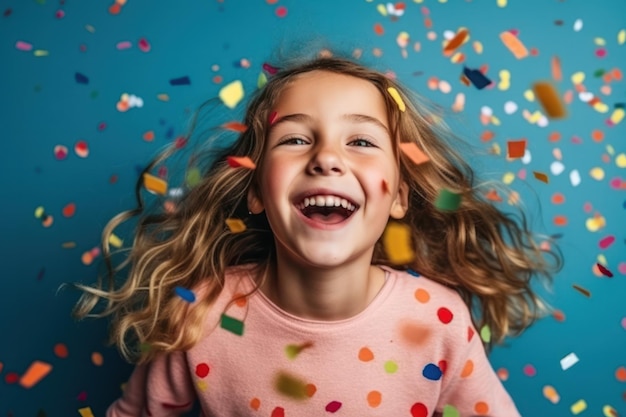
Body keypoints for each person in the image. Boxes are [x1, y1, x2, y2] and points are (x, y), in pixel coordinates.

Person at [73, 51, 561, 417]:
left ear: (398, 197)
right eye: (296, 139)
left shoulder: (437, 318)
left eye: (361, 141)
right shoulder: (202, 311)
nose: (326, 158)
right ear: (257, 190)